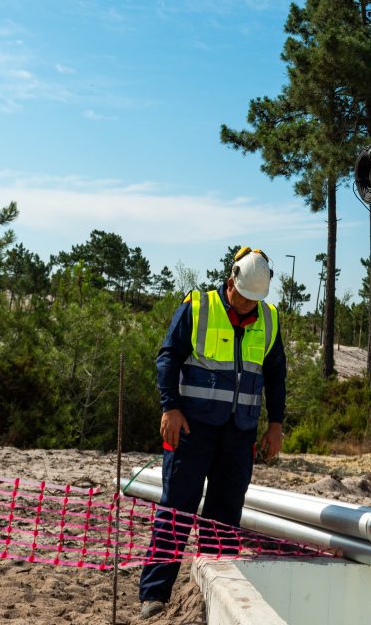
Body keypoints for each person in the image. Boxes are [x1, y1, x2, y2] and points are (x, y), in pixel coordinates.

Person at [138, 246, 287, 621]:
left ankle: (216, 595)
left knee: (223, 517)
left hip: (239, 434)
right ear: (230, 281)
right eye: (242, 299)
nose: (247, 307)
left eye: (255, 301)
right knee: (177, 509)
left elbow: (275, 374)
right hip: (192, 428)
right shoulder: (198, 307)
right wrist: (169, 407)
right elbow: (168, 357)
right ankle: (154, 595)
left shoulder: (268, 319)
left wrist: (275, 424)